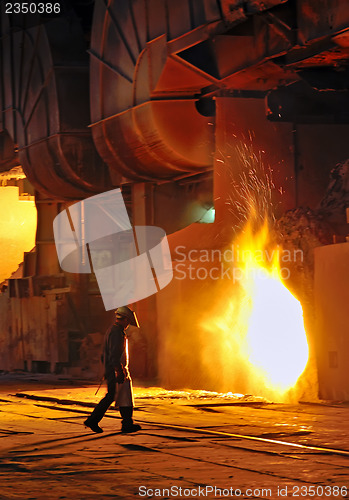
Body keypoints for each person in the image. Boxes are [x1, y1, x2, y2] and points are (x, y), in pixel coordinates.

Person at [84, 306, 142, 434]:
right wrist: (118, 370)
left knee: (124, 396)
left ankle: (127, 423)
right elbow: (114, 354)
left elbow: (105, 354)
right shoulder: (117, 333)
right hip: (117, 370)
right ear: (125, 319)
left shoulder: (112, 330)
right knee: (114, 396)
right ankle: (93, 420)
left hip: (115, 369)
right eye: (128, 322)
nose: (128, 325)